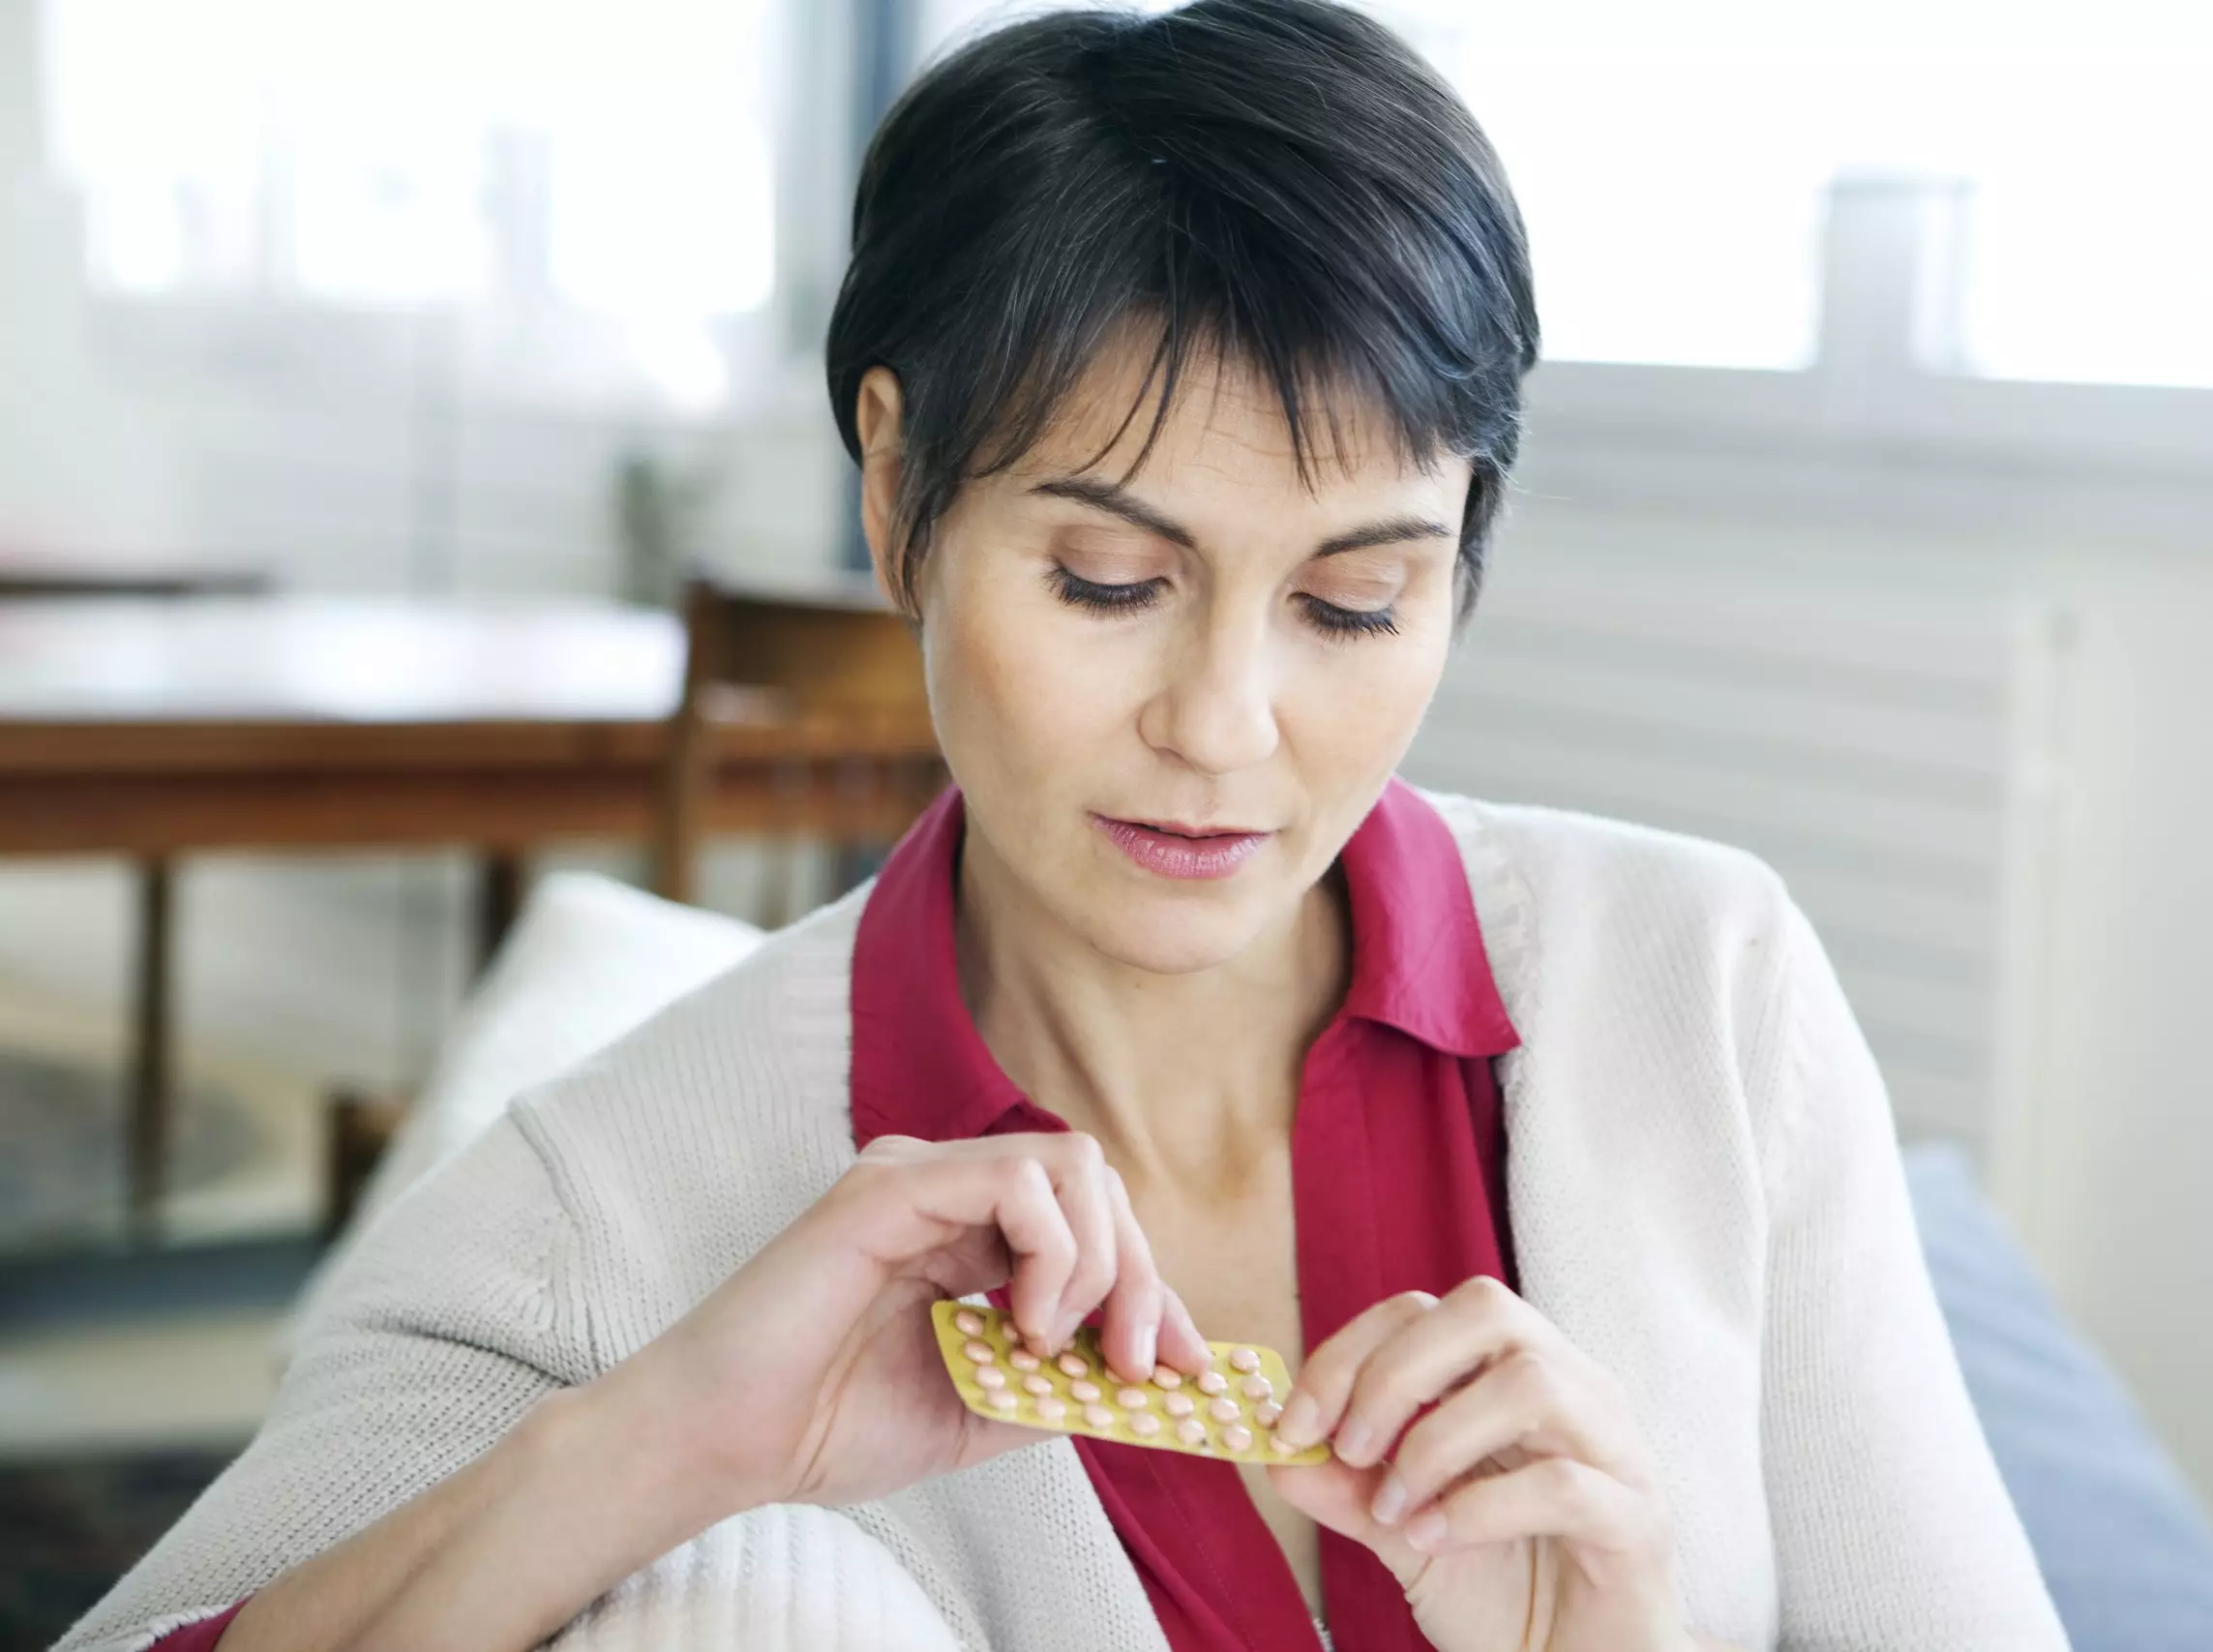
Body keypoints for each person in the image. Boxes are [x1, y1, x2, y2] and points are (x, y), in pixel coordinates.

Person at [62, 3, 2068, 1649]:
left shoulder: (1703, 994)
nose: (1221, 724)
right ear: (892, 488)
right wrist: (661, 1442)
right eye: (1108, 582)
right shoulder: (617, 1203)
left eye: (1353, 601)